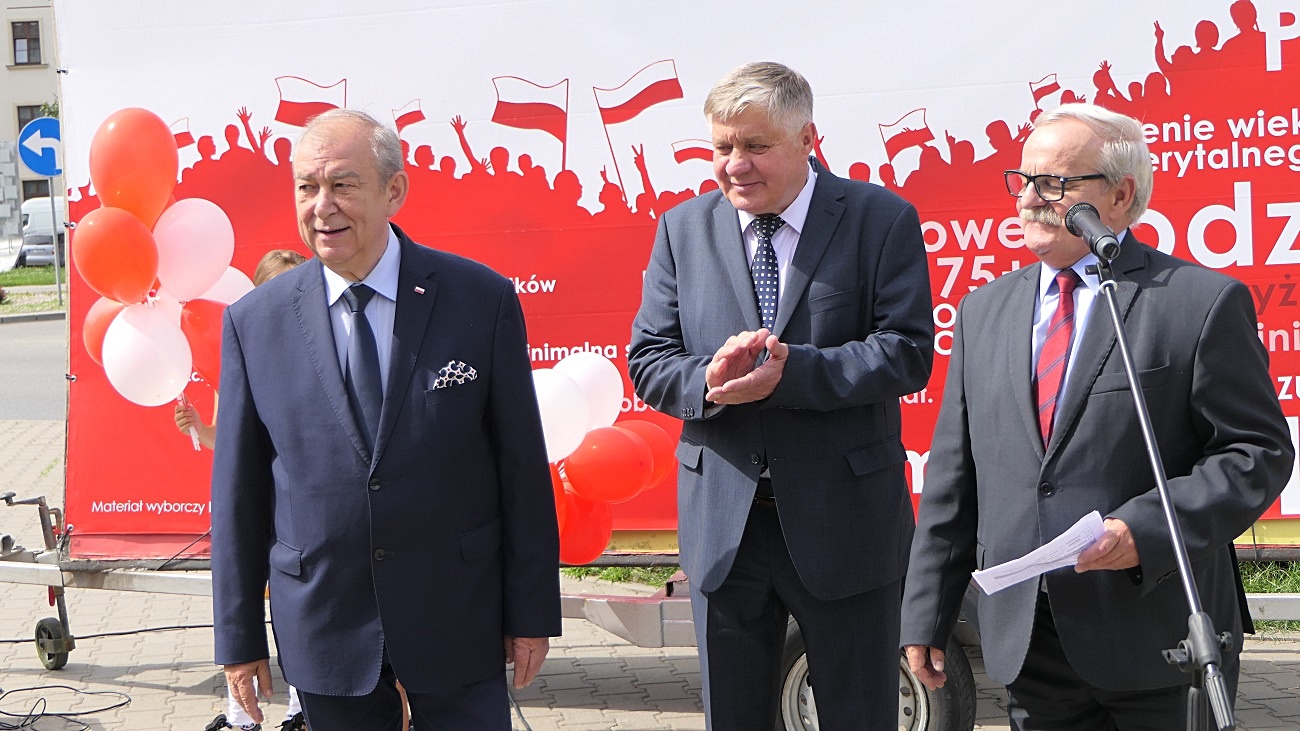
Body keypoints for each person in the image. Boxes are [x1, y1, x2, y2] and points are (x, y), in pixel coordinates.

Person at [901, 103, 1295, 728]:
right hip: (1030, 642)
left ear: (1121, 195)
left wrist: (1144, 528)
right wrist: (926, 612)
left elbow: (1256, 453)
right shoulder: (984, 312)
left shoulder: (1198, 301)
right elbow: (953, 477)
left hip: (1159, 634)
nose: (1030, 199)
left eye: (1055, 183)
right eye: (1023, 180)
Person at [210, 108, 560, 731]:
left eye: (342, 184)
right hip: (326, 624)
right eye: (306, 187)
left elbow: (522, 471)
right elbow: (239, 493)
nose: (322, 206)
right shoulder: (254, 322)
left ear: (394, 190)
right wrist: (238, 638)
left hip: (456, 617)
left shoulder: (479, 300)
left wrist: (531, 612)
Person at [627, 61, 934, 729]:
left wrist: (792, 375)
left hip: (846, 524)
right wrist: (710, 382)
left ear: (807, 139)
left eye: (755, 145)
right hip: (724, 530)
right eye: (722, 146)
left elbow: (907, 352)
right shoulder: (683, 228)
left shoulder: (880, 219)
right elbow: (649, 360)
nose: (735, 164)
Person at [175, 248, 308, 731]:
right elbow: (229, 442)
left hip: (302, 508)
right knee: (246, 604)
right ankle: (240, 716)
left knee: (301, 608)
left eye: (298, 288)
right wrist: (198, 427)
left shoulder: (326, 350)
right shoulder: (243, 353)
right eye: (277, 290)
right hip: (258, 506)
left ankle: (301, 708)